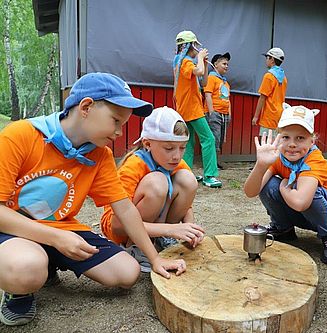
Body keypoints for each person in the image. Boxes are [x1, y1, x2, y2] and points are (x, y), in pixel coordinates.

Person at [0, 73, 186, 326]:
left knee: (127, 273)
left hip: (60, 227)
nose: (120, 132)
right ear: (86, 107)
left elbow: (125, 209)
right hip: (12, 229)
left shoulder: (100, 155)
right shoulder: (20, 135)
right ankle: (19, 290)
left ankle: (50, 258)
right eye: (116, 121)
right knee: (27, 268)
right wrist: (56, 238)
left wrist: (155, 259)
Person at [100, 106, 205, 272]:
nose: (177, 156)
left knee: (188, 180)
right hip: (122, 230)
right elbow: (117, 225)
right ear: (147, 143)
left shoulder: (176, 162)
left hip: (153, 223)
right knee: (158, 182)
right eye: (169, 148)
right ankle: (135, 247)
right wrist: (172, 229)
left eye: (182, 147)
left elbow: (187, 205)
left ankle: (160, 240)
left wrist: (189, 231)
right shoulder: (133, 166)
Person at [244, 104, 327, 264]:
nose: (292, 144)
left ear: (312, 141)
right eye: (286, 137)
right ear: (279, 138)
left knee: (310, 189)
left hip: (324, 214)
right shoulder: (277, 156)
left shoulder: (314, 160)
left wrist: (284, 187)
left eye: (300, 138)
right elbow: (251, 192)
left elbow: (301, 203)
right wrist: (261, 165)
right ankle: (282, 228)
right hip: (299, 211)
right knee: (268, 184)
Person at [173, 30, 222, 188]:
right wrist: (201, 59)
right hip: (192, 109)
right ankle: (209, 176)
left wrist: (204, 63)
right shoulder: (186, 62)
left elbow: (204, 82)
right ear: (190, 46)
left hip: (186, 108)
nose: (197, 50)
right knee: (208, 139)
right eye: (196, 46)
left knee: (188, 142)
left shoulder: (181, 61)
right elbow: (198, 72)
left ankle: (185, 173)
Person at [204, 52, 231, 169]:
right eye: (224, 63)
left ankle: (215, 160)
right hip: (215, 113)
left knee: (219, 139)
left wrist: (229, 113)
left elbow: (227, 99)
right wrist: (211, 112)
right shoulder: (211, 78)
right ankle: (212, 163)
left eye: (227, 64)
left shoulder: (225, 82)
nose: (226, 66)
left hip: (224, 114)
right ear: (215, 64)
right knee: (214, 137)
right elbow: (208, 95)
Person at [252, 47, 288, 136]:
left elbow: (262, 97)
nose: (266, 60)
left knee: (267, 145)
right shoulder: (284, 78)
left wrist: (256, 116)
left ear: (272, 59)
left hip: (269, 116)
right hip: (279, 116)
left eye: (267, 57)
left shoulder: (269, 76)